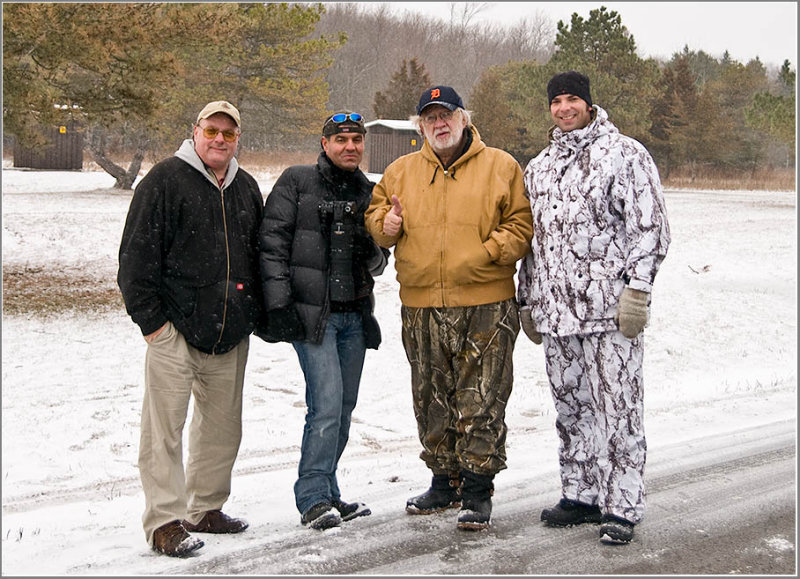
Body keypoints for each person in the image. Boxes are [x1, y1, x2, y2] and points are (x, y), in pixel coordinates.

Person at [365, 86, 533, 531]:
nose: (439, 124)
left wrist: (488, 253)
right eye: (430, 118)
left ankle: (477, 490)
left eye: (447, 115)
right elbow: (376, 222)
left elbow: (521, 224)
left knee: (482, 399)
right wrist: (388, 224)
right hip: (421, 305)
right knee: (431, 397)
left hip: (486, 305)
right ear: (420, 126)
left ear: (464, 118)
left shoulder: (501, 165)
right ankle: (444, 481)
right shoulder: (400, 171)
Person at [517, 71, 671, 544]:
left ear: (588, 103)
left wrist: (638, 290)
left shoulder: (625, 155)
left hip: (610, 313)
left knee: (618, 409)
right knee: (572, 410)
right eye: (557, 101)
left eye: (573, 100)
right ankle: (581, 494)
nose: (564, 108)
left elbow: (651, 228)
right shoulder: (539, 167)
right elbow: (533, 243)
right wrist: (528, 299)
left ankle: (622, 505)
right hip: (558, 314)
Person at [118, 101, 263, 557]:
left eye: (229, 133)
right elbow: (135, 261)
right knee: (163, 431)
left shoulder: (247, 188)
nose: (219, 139)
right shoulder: (163, 180)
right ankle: (164, 521)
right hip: (173, 330)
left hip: (228, 332)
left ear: (238, 138)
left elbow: (259, 258)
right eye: (212, 130)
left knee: (222, 429)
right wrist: (154, 326)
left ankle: (206, 508)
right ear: (195, 131)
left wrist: (251, 316)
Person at [257, 111, 389, 531]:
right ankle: (312, 496)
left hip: (355, 316)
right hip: (316, 318)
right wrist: (280, 306)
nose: (350, 147)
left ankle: (330, 491)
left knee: (344, 409)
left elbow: (379, 260)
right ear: (324, 143)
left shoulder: (369, 191)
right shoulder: (296, 182)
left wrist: (378, 238)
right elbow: (271, 243)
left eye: (356, 140)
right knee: (326, 405)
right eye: (341, 139)